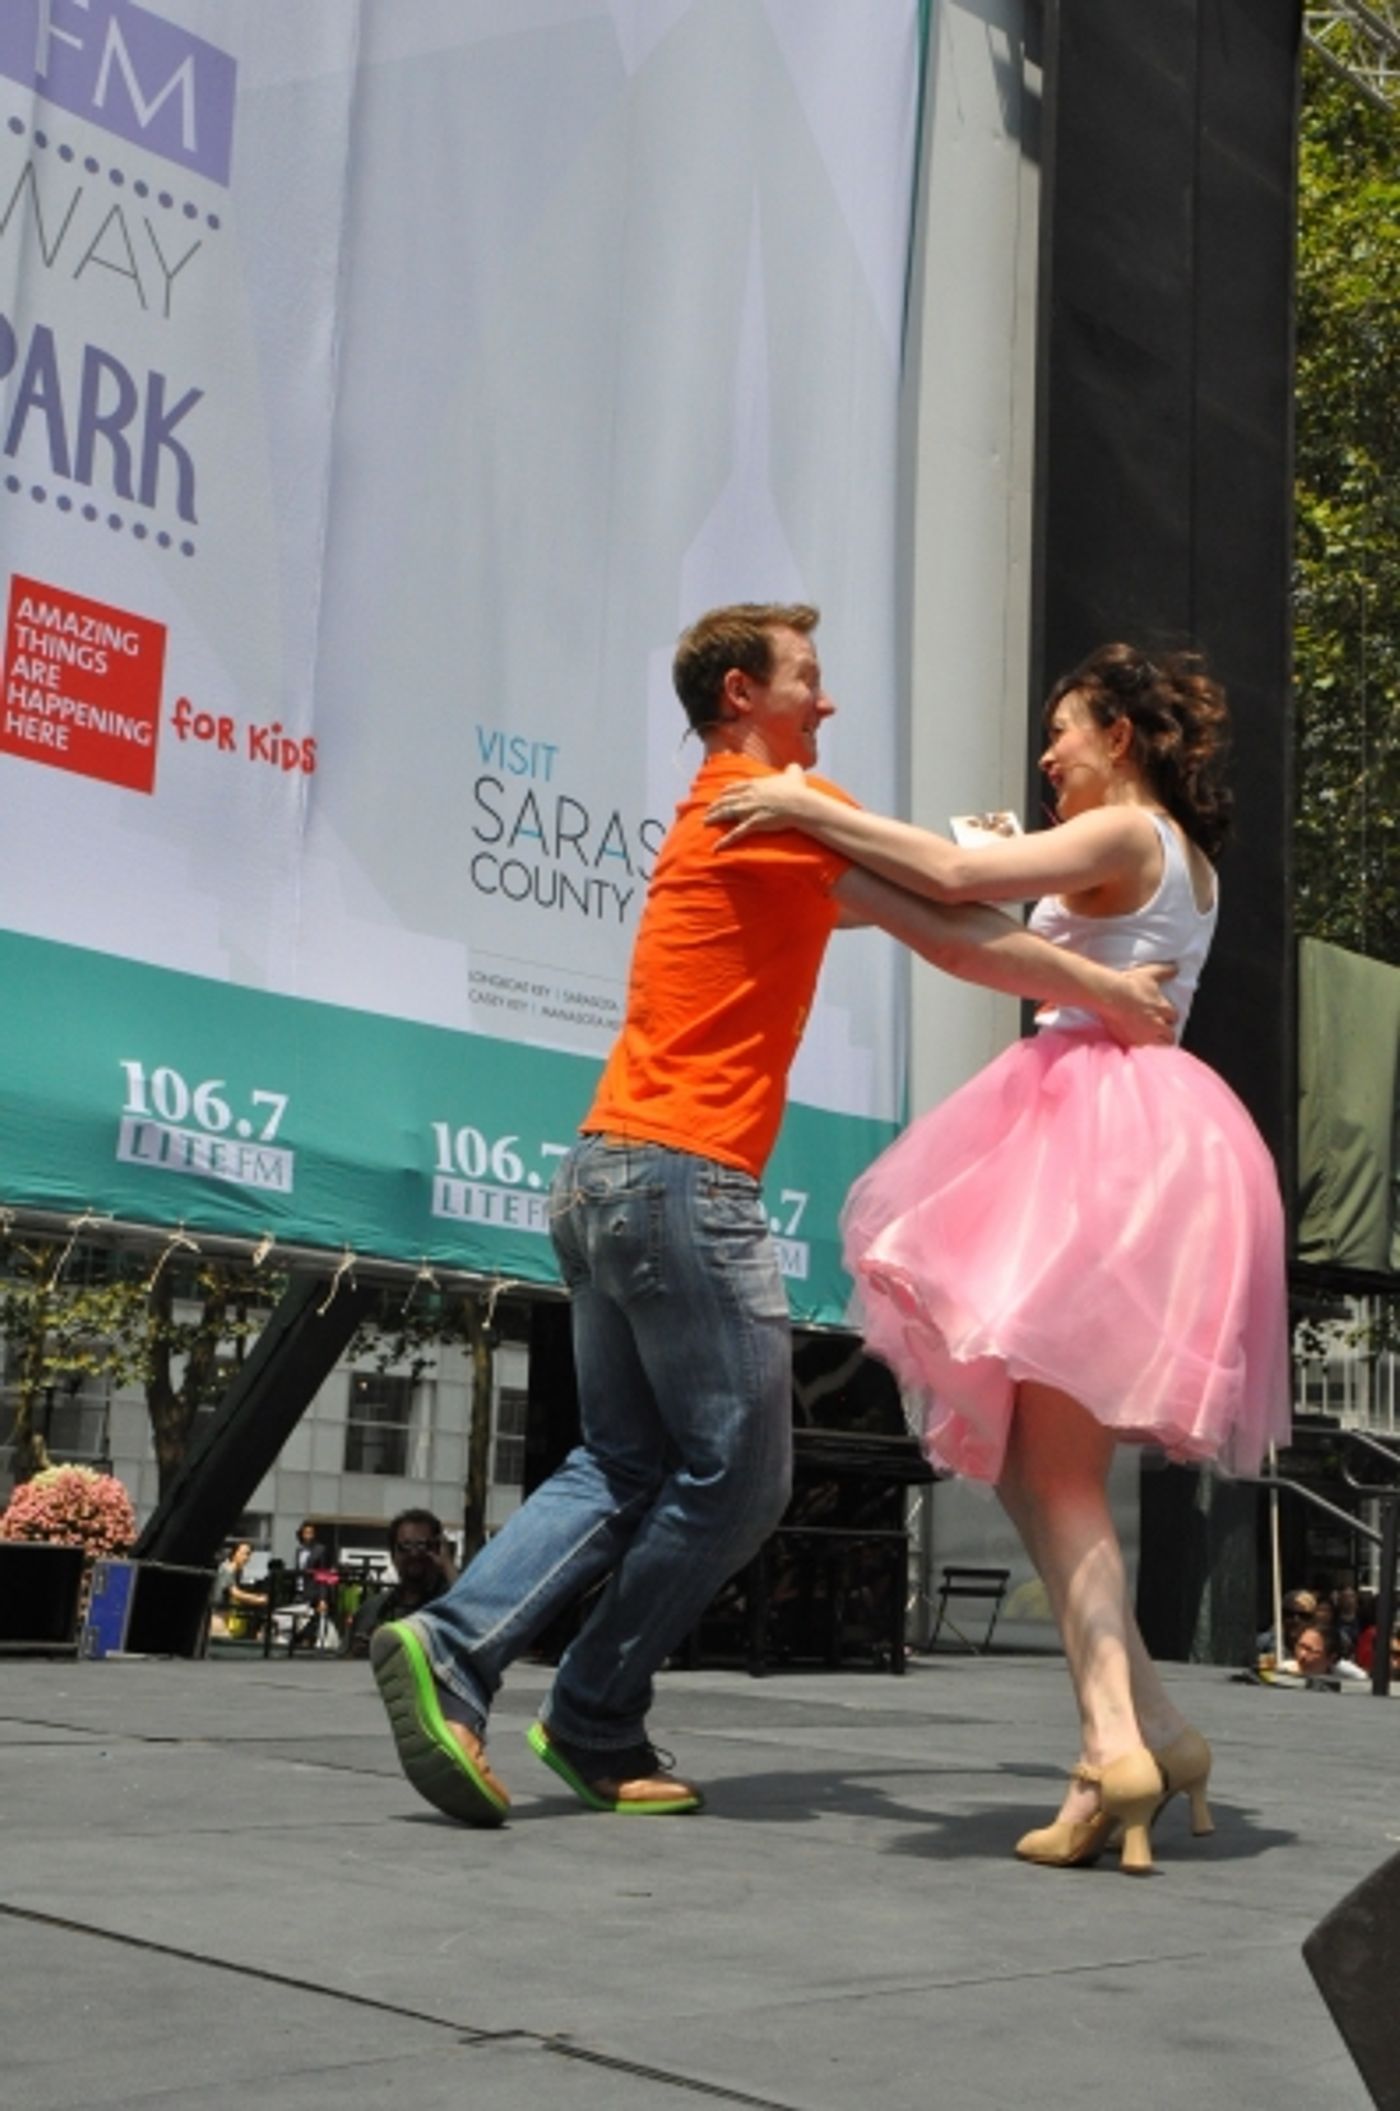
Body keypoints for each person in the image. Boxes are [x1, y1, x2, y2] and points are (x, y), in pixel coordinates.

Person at [370, 605, 1179, 1828]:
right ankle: (487, 1659)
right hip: (683, 1184)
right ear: (743, 691)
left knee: (624, 1462)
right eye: (809, 678)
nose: (828, 701)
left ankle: (569, 1708)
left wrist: (981, 869)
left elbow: (904, 898)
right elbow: (957, 934)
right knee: (742, 1479)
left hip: (603, 1177)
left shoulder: (731, 813)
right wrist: (1107, 987)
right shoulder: (768, 798)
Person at [708, 640, 1291, 1874]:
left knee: (1058, 1474)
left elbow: (965, 877)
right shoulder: (1151, 856)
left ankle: (1105, 1751)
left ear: (1118, 738)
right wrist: (847, 886)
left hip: (1094, 1136)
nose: (1046, 752)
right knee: (1034, 1470)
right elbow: (979, 943)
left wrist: (809, 805)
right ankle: (1159, 1729)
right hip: (1128, 1134)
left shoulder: (1129, 834)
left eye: (1062, 728)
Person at [344, 1510, 458, 1658]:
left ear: (438, 1549)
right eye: (405, 1546)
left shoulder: (450, 1605)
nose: (414, 1554)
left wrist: (448, 1565)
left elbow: (475, 1624)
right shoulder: (373, 1609)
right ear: (392, 1555)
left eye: (422, 1545)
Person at [211, 1541, 268, 1638]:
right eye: (244, 1554)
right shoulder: (227, 1569)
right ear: (234, 1554)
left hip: (223, 1617)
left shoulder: (236, 1572)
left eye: (249, 1555)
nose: (247, 1558)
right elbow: (235, 1593)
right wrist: (258, 1599)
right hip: (217, 1618)